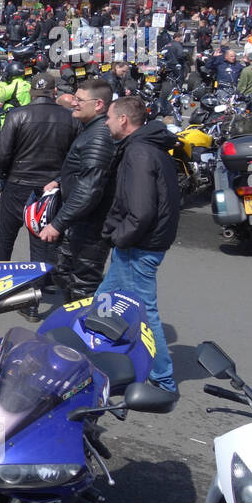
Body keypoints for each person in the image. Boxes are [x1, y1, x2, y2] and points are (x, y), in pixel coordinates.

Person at [95, 95, 180, 401]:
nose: (105, 122)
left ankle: (162, 379)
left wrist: (120, 237)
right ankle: (101, 361)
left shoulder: (139, 152)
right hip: (141, 244)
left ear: (123, 120)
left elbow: (141, 209)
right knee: (103, 301)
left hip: (138, 246)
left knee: (144, 313)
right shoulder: (149, 146)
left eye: (109, 117)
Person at [0, 73, 78, 315]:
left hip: (18, 184)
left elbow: (1, 154)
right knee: (41, 245)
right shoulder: (69, 118)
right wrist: (59, 180)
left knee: (5, 238)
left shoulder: (18, 115)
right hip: (49, 188)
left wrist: (4, 174)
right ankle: (32, 301)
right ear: (54, 92)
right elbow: (74, 158)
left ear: (30, 92)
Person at [37, 78, 119, 303]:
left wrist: (58, 223)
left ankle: (83, 335)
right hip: (79, 222)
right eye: (74, 98)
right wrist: (60, 181)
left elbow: (89, 189)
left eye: (80, 100)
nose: (74, 103)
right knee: (64, 274)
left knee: (83, 287)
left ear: (99, 105)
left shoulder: (99, 137)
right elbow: (83, 172)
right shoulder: (90, 130)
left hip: (90, 227)